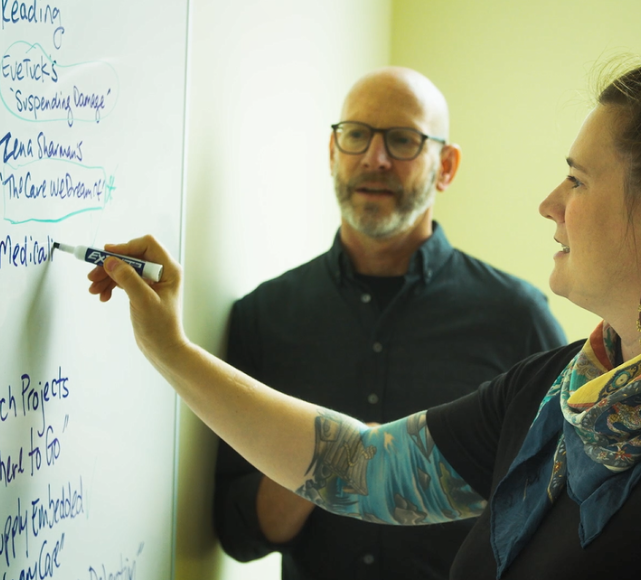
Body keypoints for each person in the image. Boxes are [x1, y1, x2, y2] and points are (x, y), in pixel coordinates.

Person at [87, 0, 641, 577]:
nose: (550, 204)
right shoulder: (560, 392)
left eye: (577, 180)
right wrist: (168, 347)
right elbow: (364, 469)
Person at [214, 67, 566, 579]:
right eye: (356, 135)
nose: (374, 159)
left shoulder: (518, 318)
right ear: (332, 151)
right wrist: (335, 458)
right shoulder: (262, 317)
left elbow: (557, 506)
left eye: (402, 140)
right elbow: (236, 531)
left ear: (446, 166)